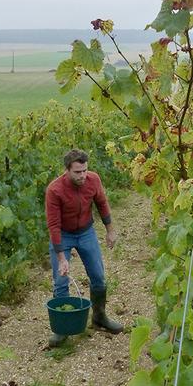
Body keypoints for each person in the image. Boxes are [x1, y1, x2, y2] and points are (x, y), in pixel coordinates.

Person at [44, 148, 122, 347]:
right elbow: (53, 225)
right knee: (61, 281)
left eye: (85, 170)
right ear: (67, 170)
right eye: (77, 172)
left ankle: (99, 317)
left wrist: (110, 230)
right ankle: (62, 329)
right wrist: (62, 258)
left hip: (86, 232)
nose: (83, 175)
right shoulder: (55, 190)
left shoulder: (93, 180)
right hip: (63, 234)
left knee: (98, 277)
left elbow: (102, 203)